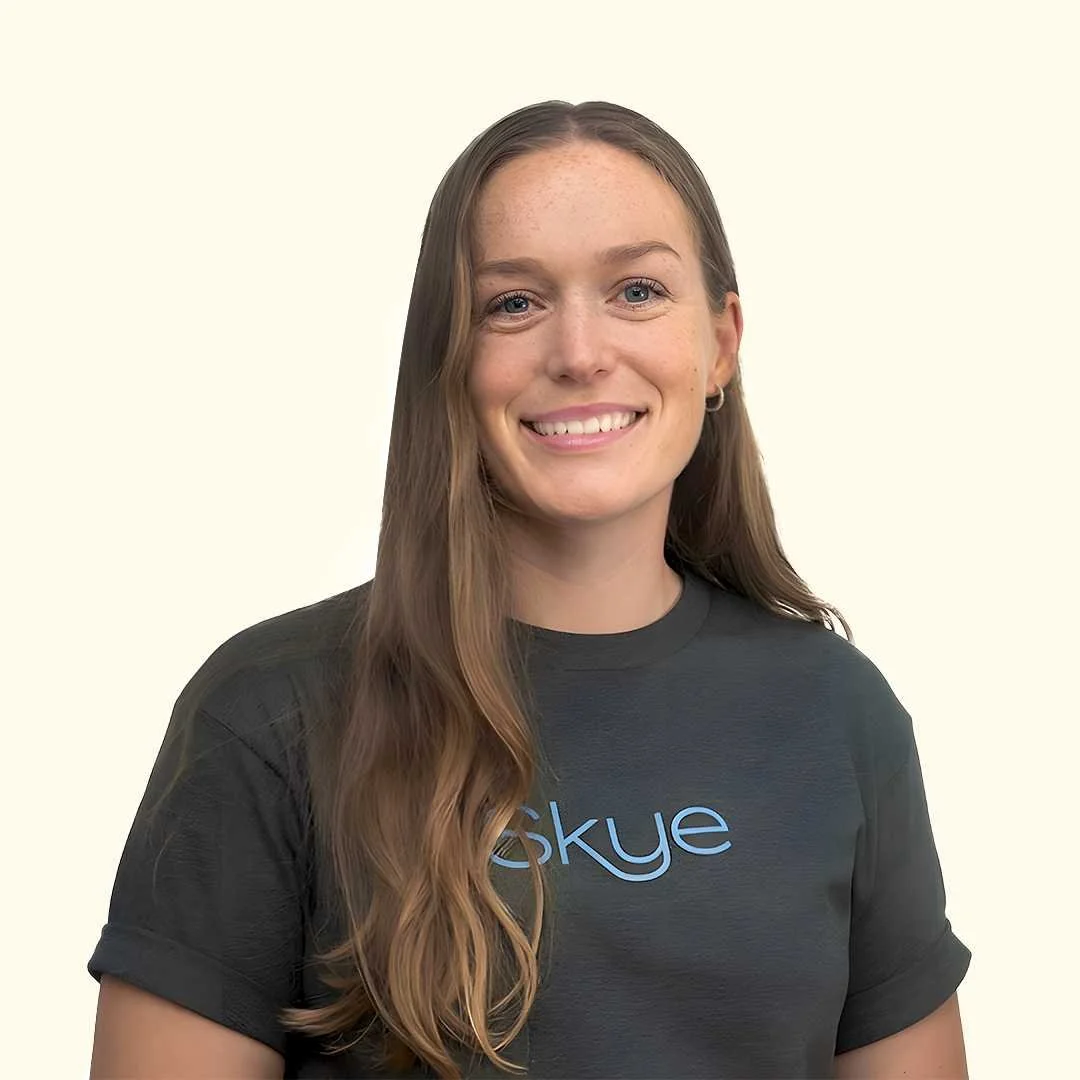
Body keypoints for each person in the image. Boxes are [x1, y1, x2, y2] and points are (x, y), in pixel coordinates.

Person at [88, 99, 971, 1079]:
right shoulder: (271, 712)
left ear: (720, 345)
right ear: (449, 356)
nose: (580, 352)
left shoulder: (839, 714)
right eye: (513, 303)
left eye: (638, 290)